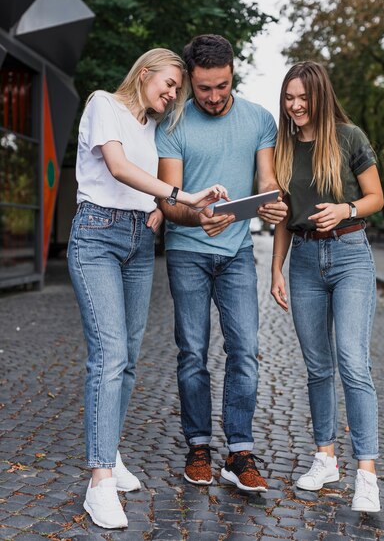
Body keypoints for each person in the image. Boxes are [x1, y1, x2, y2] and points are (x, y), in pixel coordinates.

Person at [67, 48, 228, 530]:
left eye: (179, 87)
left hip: (138, 241)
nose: (173, 92)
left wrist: (157, 210)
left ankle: (109, 453)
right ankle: (98, 483)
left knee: (129, 356)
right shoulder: (103, 104)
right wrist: (177, 196)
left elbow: (147, 184)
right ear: (144, 73)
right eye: (170, 82)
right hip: (95, 236)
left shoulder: (152, 129)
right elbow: (116, 168)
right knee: (109, 353)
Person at [156, 34, 288, 493]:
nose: (213, 97)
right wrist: (196, 214)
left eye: (222, 86)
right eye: (204, 88)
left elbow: (268, 180)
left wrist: (273, 206)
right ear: (191, 80)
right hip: (187, 250)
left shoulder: (259, 119)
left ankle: (239, 451)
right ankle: (197, 446)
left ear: (234, 71)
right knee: (192, 352)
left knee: (245, 351)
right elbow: (168, 200)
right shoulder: (173, 123)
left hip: (236, 253)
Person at [271, 61, 384, 512]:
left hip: (351, 254)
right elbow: (281, 217)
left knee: (353, 362)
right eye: (289, 97)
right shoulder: (282, 146)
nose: (295, 106)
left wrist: (345, 209)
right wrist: (275, 269)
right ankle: (325, 458)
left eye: (303, 97)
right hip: (302, 261)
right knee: (317, 367)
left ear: (319, 95)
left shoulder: (349, 137)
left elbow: (376, 197)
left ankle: (367, 473)